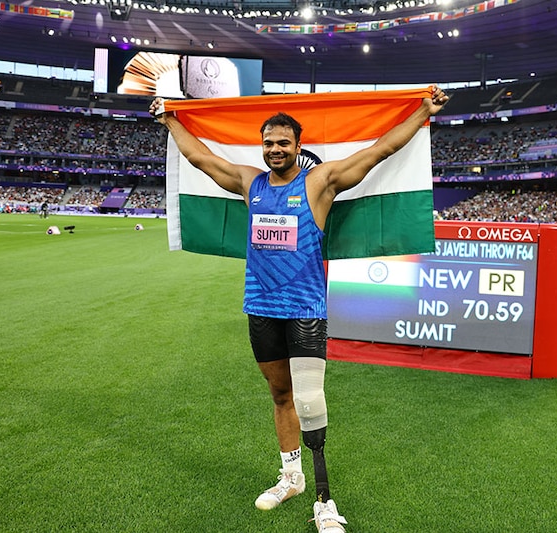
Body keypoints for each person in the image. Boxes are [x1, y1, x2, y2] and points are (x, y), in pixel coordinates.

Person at [149, 86, 449, 532]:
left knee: (309, 400)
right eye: (269, 142)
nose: (275, 149)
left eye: (283, 143)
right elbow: (201, 160)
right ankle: (291, 477)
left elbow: (380, 149)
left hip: (306, 308)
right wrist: (171, 120)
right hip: (261, 307)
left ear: (297, 146)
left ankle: (325, 501)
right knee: (280, 395)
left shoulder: (318, 183)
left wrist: (424, 110)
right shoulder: (249, 182)